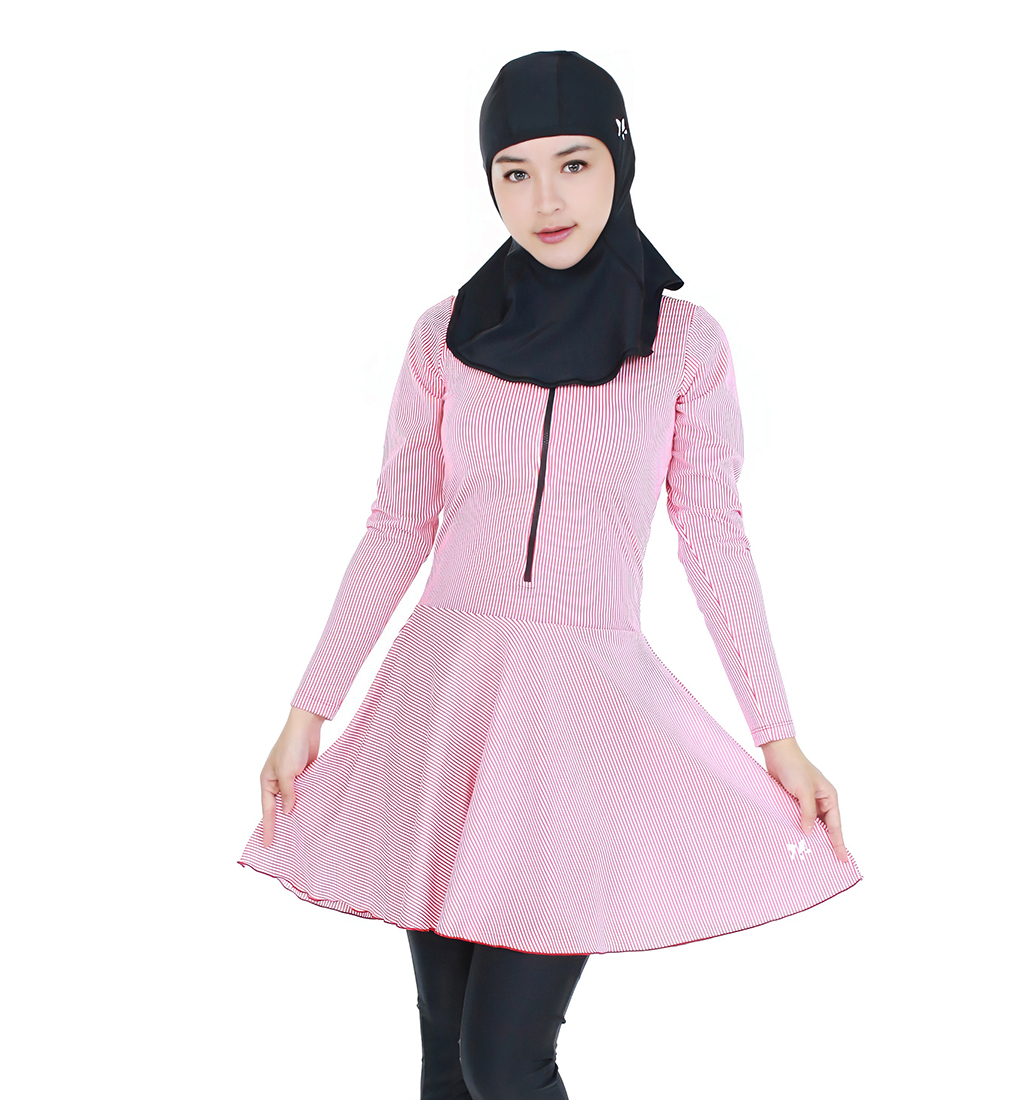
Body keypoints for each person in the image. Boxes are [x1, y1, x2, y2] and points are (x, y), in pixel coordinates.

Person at [238, 50, 863, 1100]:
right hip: (444, 705)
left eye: (573, 164)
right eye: (514, 172)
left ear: (620, 162)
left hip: (576, 720)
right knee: (445, 1050)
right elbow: (397, 524)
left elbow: (714, 538)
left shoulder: (683, 345)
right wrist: (310, 709)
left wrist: (778, 736)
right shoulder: (444, 334)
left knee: (504, 1058)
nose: (546, 199)